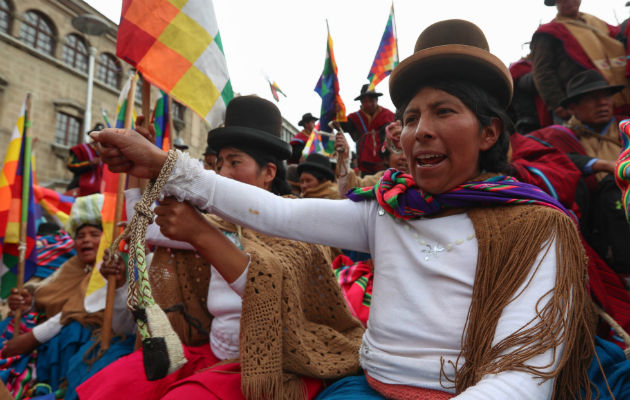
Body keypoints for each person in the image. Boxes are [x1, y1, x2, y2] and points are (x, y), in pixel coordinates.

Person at [89, 20, 597, 399]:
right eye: (412, 116)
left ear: (489, 133)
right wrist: (160, 164)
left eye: (444, 112)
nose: (420, 130)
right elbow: (278, 214)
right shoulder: (388, 211)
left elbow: (524, 368)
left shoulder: (537, 227)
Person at [77, 95, 364, 400]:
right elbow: (141, 221)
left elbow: (271, 295)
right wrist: (138, 168)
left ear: (268, 173)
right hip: (209, 354)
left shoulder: (300, 226)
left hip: (267, 365)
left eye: (235, 162)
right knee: (116, 385)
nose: (222, 173)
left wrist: (201, 235)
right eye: (219, 163)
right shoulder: (217, 222)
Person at [0, 194, 134, 398]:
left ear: (107, 237)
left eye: (94, 234)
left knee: (74, 329)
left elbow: (74, 312)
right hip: (51, 341)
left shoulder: (113, 268)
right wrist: (28, 303)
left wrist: (30, 339)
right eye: (80, 236)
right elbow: (47, 295)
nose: (86, 240)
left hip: (91, 343)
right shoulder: (73, 266)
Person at [528, 69, 630, 275]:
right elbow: (553, 162)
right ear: (573, 107)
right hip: (592, 221)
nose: (603, 103)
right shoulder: (558, 137)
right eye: (593, 98)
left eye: (607, 96)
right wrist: (604, 165)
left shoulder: (625, 128)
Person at [530, 0, 630, 121]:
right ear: (556, 3)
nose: (568, 2)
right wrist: (556, 103)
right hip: (579, 102)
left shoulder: (597, 23)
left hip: (613, 97)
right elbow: (543, 72)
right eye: (562, 0)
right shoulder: (548, 32)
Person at [335, 121, 408, 196]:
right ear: (386, 158)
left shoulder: (420, 180)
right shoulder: (378, 181)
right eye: (397, 150)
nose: (404, 157)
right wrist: (345, 158)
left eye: (408, 151)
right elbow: (348, 191)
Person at [340, 84, 395, 175]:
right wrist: (338, 111)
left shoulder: (388, 115)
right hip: (363, 162)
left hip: (384, 161)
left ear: (377, 100)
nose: (368, 104)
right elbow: (342, 126)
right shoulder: (355, 117)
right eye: (365, 101)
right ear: (361, 102)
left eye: (371, 100)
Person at [66, 123, 104, 197]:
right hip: (80, 189)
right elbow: (71, 165)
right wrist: (89, 163)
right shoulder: (80, 149)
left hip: (100, 192)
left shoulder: (106, 152)